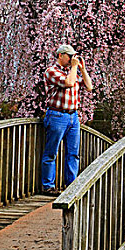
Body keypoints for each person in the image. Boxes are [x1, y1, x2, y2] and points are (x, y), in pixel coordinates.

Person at [41, 44, 93, 196]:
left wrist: (82, 69)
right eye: (69, 56)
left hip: (73, 116)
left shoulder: (73, 72)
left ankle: (71, 185)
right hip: (57, 115)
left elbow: (89, 87)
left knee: (73, 153)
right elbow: (69, 83)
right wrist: (75, 68)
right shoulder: (51, 71)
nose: (72, 59)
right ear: (60, 55)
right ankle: (48, 186)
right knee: (51, 152)